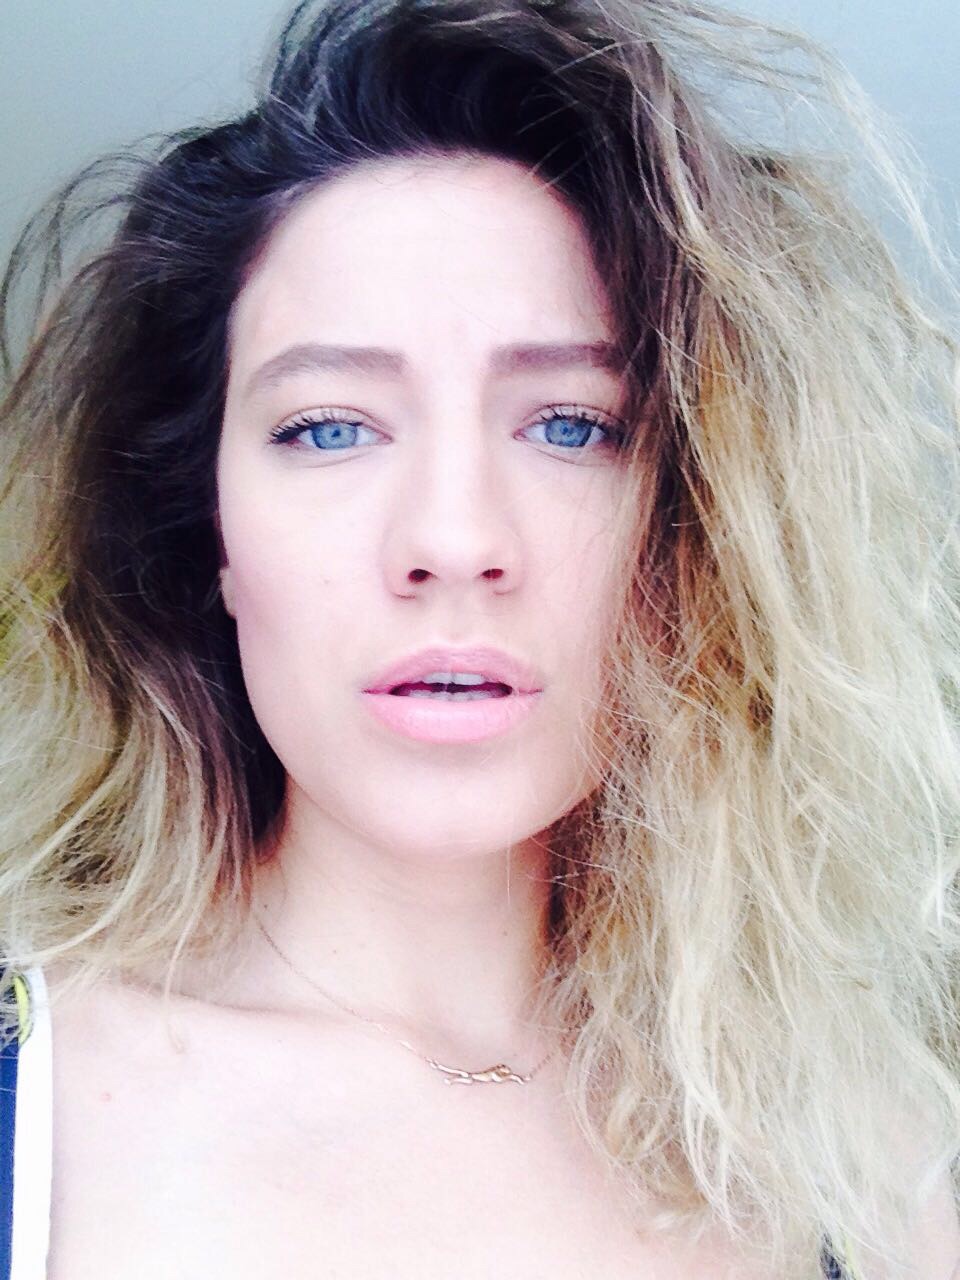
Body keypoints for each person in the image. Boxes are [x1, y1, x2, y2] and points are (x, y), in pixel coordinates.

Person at [1, 0, 959, 1276]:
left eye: (570, 425)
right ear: (209, 532)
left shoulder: (872, 1165)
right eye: (329, 426)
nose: (454, 540)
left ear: (693, 529)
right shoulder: (36, 1108)